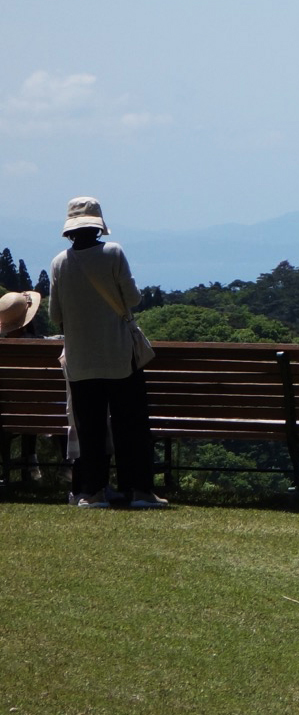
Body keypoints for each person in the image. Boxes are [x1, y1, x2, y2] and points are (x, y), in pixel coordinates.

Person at [46, 196, 167, 509]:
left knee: (90, 427)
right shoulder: (113, 252)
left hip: (80, 359)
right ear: (98, 225)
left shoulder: (60, 262)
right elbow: (133, 298)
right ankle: (139, 491)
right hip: (118, 355)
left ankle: (94, 491)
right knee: (132, 425)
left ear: (70, 229)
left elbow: (55, 314)